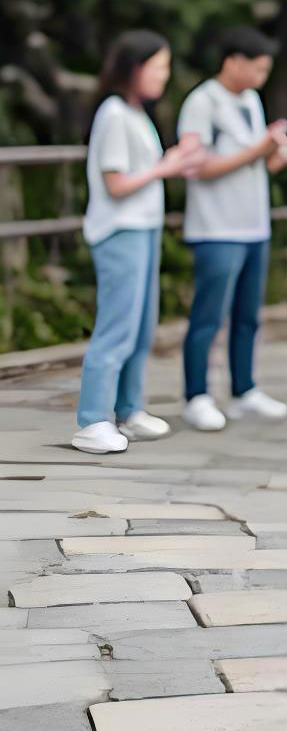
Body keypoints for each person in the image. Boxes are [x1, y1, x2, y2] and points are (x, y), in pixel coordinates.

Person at [72, 30, 207, 455]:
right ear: (135, 67)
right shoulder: (113, 113)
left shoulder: (134, 113)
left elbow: (142, 173)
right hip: (120, 230)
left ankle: (128, 410)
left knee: (141, 326)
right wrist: (165, 167)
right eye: (159, 66)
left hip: (143, 228)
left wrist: (172, 162)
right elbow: (116, 184)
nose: (164, 75)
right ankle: (93, 419)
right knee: (116, 327)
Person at [178, 24, 287, 431]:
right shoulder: (202, 103)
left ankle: (244, 390)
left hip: (253, 225)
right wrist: (257, 150)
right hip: (217, 227)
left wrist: (273, 156)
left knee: (248, 315)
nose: (262, 76)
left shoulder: (250, 100)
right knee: (208, 316)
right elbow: (197, 167)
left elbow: (248, 162)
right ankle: (197, 395)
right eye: (258, 68)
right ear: (232, 62)